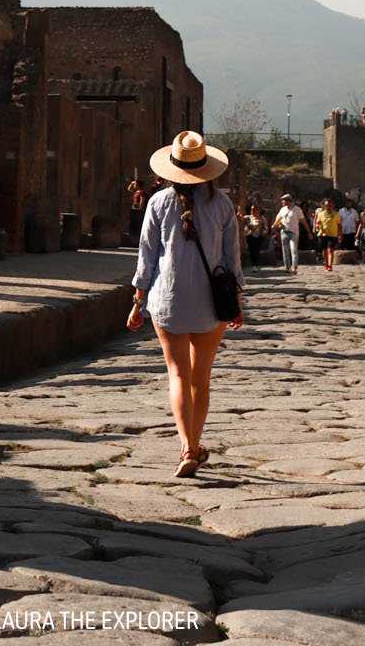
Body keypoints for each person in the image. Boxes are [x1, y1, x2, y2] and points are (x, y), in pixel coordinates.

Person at [127, 129, 244, 478]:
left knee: (178, 374)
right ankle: (194, 443)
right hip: (211, 304)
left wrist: (138, 300)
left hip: (168, 300)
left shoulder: (157, 203)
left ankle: (187, 448)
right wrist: (236, 300)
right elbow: (232, 259)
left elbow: (146, 257)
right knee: (201, 378)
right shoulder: (222, 205)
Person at [272, 192, 305, 275]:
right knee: (285, 251)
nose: (282, 202)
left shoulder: (297, 209)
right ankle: (287, 267)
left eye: (284, 200)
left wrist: (309, 231)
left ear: (288, 200)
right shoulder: (282, 209)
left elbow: (303, 220)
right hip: (284, 232)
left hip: (294, 232)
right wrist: (274, 226)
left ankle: (294, 267)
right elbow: (278, 219)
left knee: (293, 249)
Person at [314, 196, 341, 270]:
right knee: (324, 250)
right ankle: (326, 263)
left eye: (329, 205)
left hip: (333, 234)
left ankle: (330, 265)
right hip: (323, 234)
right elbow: (317, 222)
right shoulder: (320, 214)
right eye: (327, 205)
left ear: (332, 206)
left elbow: (339, 225)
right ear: (324, 206)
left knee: (330, 250)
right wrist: (316, 227)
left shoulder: (336, 214)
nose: (328, 207)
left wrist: (340, 234)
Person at [244, 201, 267, 268]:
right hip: (250, 236)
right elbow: (242, 218)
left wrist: (264, 231)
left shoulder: (261, 218)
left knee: (256, 250)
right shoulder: (248, 217)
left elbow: (266, 227)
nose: (252, 211)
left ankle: (255, 265)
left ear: (257, 210)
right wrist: (239, 215)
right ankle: (253, 263)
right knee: (251, 250)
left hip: (258, 236)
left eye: (254, 209)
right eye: (251, 209)